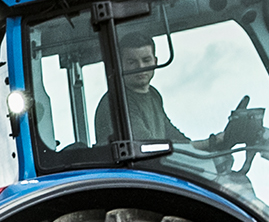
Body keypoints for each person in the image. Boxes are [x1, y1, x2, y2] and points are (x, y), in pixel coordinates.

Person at [92, 32, 221, 151]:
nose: (140, 67)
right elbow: (150, 148)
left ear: (155, 61)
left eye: (146, 60)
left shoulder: (153, 94)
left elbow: (173, 136)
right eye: (132, 62)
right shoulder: (117, 101)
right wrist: (210, 142)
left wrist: (211, 148)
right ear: (120, 65)